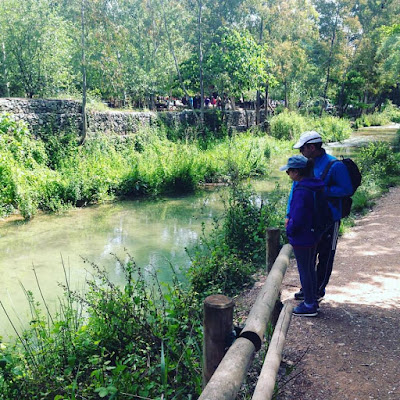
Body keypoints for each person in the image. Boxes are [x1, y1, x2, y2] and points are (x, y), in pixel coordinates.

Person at [286, 131, 353, 302]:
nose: (301, 151)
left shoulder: (334, 165)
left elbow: (346, 189)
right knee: (309, 255)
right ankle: (308, 289)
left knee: (325, 254)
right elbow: (295, 190)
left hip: (329, 218)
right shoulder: (305, 165)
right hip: (309, 220)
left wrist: (324, 191)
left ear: (312, 147)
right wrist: (288, 213)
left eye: (303, 148)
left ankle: (318, 291)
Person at [281, 155, 325, 316]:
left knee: (305, 270)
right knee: (310, 268)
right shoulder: (314, 185)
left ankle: (309, 305)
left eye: (289, 172)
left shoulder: (301, 190)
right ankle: (312, 299)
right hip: (313, 233)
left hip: (303, 237)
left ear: (297, 172)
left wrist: (289, 230)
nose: (288, 175)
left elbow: (298, 216)